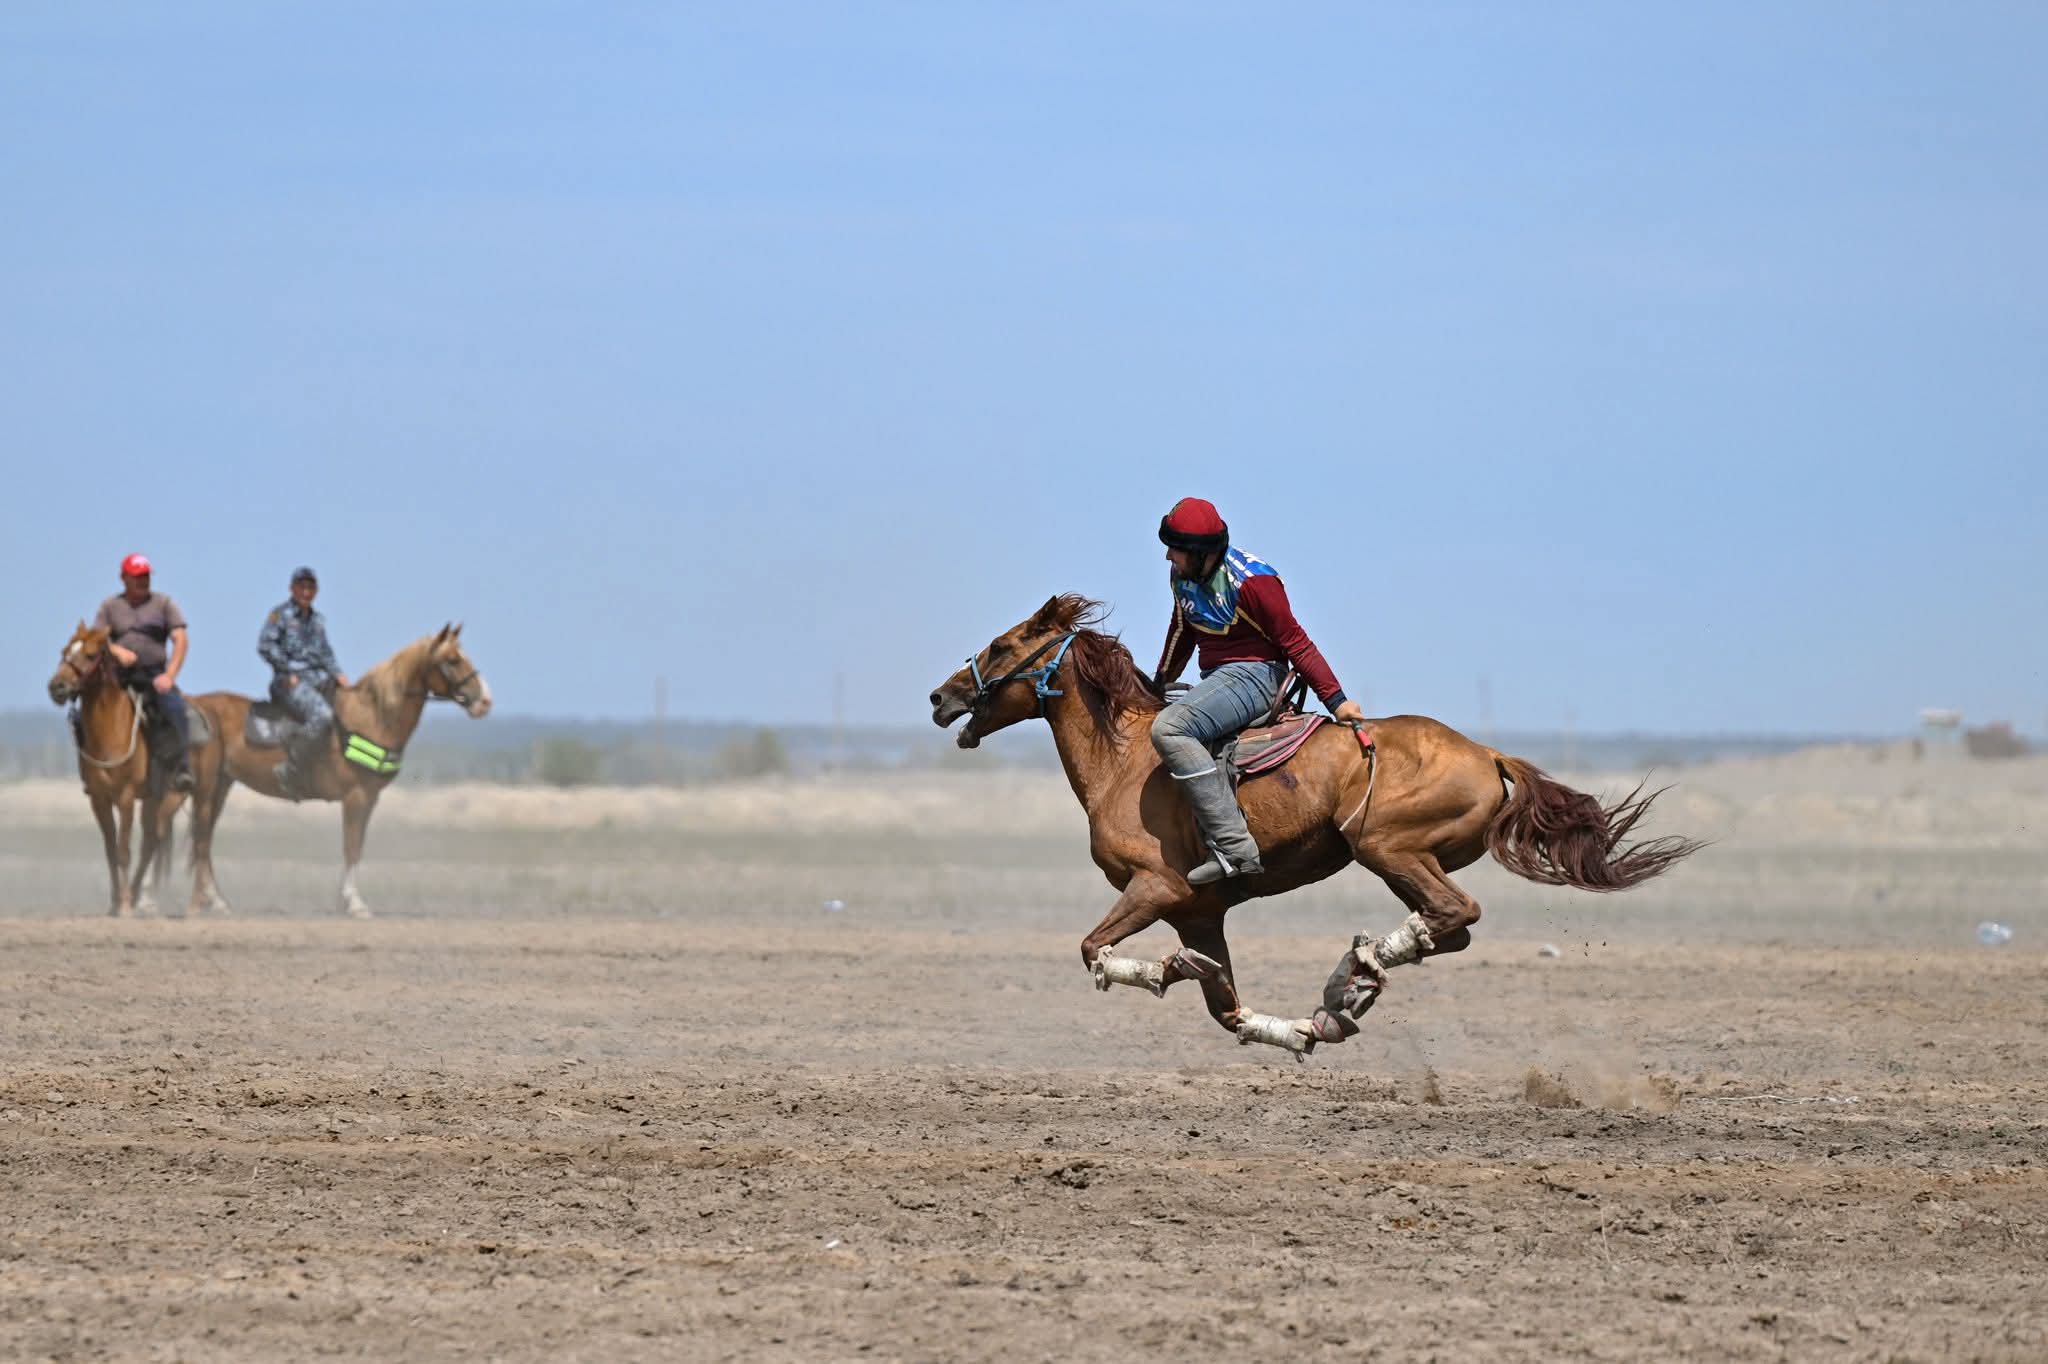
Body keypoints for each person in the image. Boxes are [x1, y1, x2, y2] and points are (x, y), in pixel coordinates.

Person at [1151, 498, 1365, 885]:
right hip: (1216, 678)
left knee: (1169, 728)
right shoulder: (1181, 576)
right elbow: (1182, 630)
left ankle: (1234, 847)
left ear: (1201, 554)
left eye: (1176, 549)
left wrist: (1337, 700)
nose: (1168, 555)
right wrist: (1159, 681)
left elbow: (1296, 642)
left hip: (1258, 677)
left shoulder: (1254, 582)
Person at [91, 552, 195, 792]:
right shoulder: (110, 607)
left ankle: (182, 768)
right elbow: (95, 639)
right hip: (118, 677)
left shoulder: (164, 604)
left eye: (146, 576)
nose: (143, 581)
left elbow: (180, 639)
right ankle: (91, 773)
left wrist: (169, 676)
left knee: (176, 709)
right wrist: (116, 651)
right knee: (83, 715)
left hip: (154, 675)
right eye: (137, 577)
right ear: (123, 578)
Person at [257, 566, 350, 798]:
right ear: (292, 588)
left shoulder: (318, 620)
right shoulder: (280, 615)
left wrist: (339, 674)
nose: (306, 592)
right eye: (302, 587)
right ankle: (291, 768)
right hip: (288, 683)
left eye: (311, 587)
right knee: (323, 716)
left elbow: (326, 652)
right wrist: (286, 671)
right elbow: (265, 645)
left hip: (319, 680)